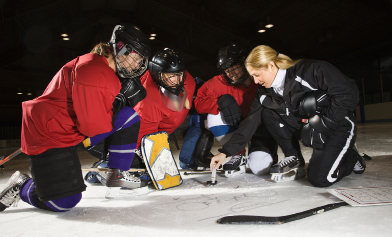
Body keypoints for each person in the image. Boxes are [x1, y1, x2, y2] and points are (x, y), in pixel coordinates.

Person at [0, 24, 151, 212]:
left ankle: (116, 175)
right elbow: (92, 128)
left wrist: (118, 105)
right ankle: (21, 185)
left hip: (70, 127)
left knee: (128, 117)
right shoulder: (95, 72)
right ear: (121, 49)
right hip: (50, 133)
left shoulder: (102, 67)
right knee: (64, 202)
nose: (138, 65)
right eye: (136, 58)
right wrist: (118, 104)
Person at [211, 45, 366, 186]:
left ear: (271, 65)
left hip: (337, 125)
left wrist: (326, 122)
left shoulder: (311, 70)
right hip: (310, 129)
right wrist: (225, 152)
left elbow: (348, 93)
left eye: (257, 75)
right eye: (253, 77)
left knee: (321, 179)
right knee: (267, 111)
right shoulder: (264, 92)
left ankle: (351, 157)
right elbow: (250, 122)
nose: (256, 81)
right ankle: (294, 157)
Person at [194, 43, 277, 176]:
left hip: (259, 128)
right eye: (226, 70)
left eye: (234, 68)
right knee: (213, 116)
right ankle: (238, 155)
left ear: (243, 63)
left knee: (260, 168)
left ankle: (266, 149)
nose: (230, 74)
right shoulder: (219, 82)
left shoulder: (259, 77)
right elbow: (198, 102)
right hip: (237, 127)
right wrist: (220, 104)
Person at [130, 48, 196, 167]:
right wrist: (147, 151)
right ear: (158, 75)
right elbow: (145, 131)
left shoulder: (188, 82)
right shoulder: (148, 98)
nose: (176, 80)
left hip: (166, 128)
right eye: (170, 76)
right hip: (140, 132)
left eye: (179, 75)